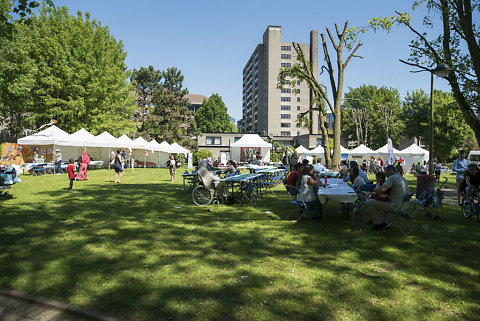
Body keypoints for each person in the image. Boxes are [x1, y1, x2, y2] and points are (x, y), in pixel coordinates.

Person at [366, 165, 409, 231]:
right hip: (404, 205)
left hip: (395, 206)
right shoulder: (402, 178)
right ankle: (384, 223)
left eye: (386, 172)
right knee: (384, 201)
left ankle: (378, 224)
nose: (385, 174)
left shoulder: (392, 178)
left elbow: (382, 190)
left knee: (370, 202)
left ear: (391, 171)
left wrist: (374, 189)